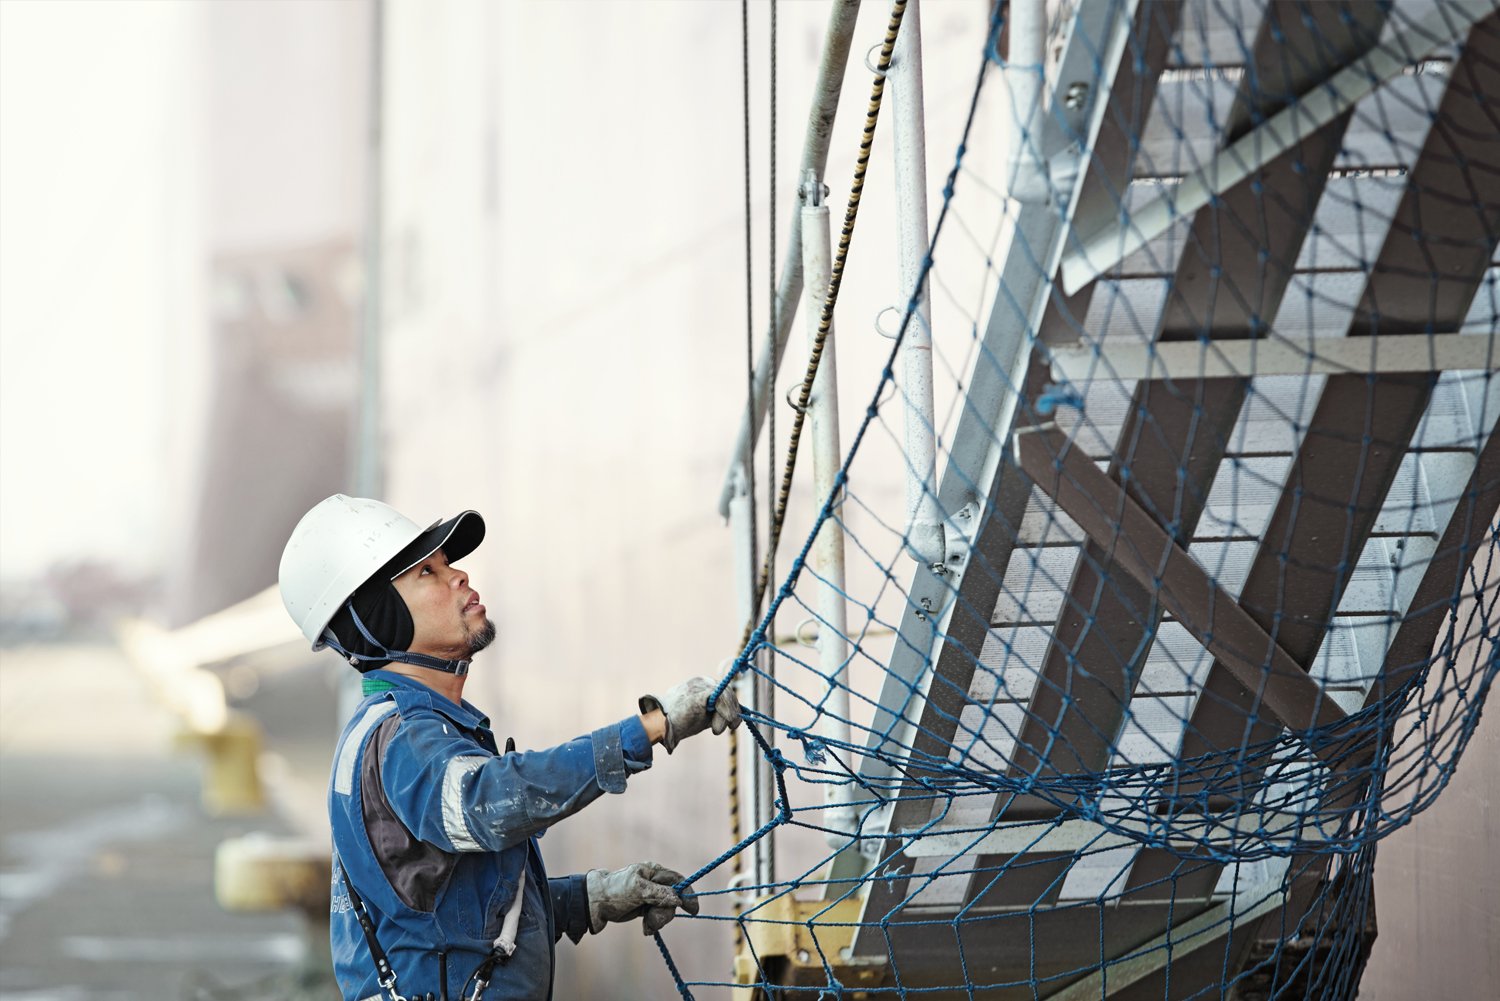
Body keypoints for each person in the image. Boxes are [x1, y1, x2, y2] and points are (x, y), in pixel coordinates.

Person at [278, 494, 741, 1001]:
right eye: (426, 573)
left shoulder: (398, 730)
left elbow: (449, 914)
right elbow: (489, 802)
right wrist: (651, 726)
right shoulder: (406, 738)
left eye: (448, 563)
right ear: (377, 616)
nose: (458, 576)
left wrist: (589, 898)